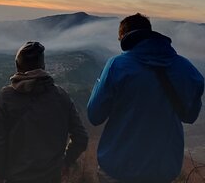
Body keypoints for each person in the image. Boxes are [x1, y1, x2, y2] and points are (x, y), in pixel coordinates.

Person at [87, 13, 204, 183]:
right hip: (162, 171)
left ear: (124, 38)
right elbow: (190, 116)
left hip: (119, 166)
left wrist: (99, 84)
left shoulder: (116, 66)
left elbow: (94, 115)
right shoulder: (186, 68)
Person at [0, 41, 89, 183]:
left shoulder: (5, 98)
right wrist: (66, 162)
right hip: (51, 176)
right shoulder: (61, 96)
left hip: (16, 177)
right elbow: (81, 137)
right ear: (43, 66)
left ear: (18, 66)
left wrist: (0, 175)